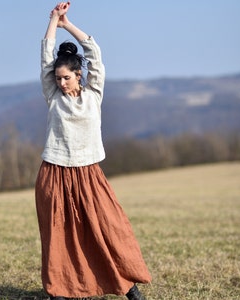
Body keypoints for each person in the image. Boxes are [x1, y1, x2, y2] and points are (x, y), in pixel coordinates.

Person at [35, 2, 152, 299]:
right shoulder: (53, 96)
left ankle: (127, 285)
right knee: (57, 234)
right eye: (58, 78)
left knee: (108, 228)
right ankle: (58, 290)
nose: (61, 83)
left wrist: (67, 24)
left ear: (78, 75)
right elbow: (46, 55)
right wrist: (52, 20)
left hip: (89, 173)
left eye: (67, 77)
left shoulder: (94, 94)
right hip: (55, 171)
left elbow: (94, 53)